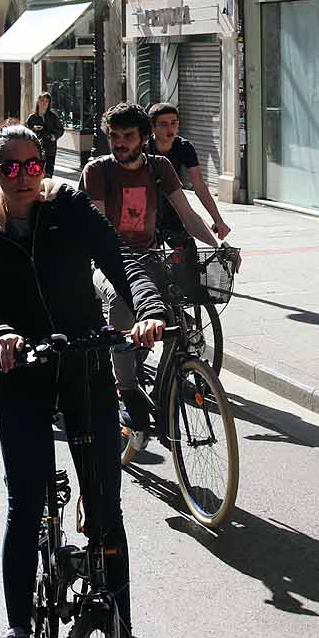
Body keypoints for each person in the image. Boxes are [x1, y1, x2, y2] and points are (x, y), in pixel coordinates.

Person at [0, 125, 165, 638]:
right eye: (10, 167)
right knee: (26, 503)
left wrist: (146, 310)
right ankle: (18, 627)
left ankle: (121, 625)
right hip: (23, 375)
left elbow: (119, 258)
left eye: (33, 164)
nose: (24, 176)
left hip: (84, 367)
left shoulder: (69, 206)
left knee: (105, 508)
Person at [81, 102, 224, 436]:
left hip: (148, 256)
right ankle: (127, 392)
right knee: (120, 303)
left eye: (127, 136)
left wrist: (219, 247)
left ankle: (166, 376)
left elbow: (188, 216)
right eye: (113, 136)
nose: (119, 142)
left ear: (144, 137)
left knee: (180, 315)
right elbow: (100, 230)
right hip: (106, 261)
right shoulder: (98, 171)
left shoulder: (160, 167)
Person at [148, 101, 231, 239]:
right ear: (152, 127)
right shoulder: (143, 148)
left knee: (192, 254)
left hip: (174, 205)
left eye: (174, 123)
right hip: (147, 209)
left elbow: (199, 185)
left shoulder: (184, 147)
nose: (170, 128)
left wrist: (218, 220)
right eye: (163, 124)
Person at [24, 92, 66, 177]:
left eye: (47, 101)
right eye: (42, 100)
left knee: (48, 173)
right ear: (38, 102)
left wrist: (54, 137)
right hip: (36, 149)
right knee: (36, 172)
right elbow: (25, 132)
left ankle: (47, 188)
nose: (44, 103)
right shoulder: (32, 117)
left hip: (50, 148)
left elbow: (60, 130)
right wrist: (33, 129)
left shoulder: (53, 116)